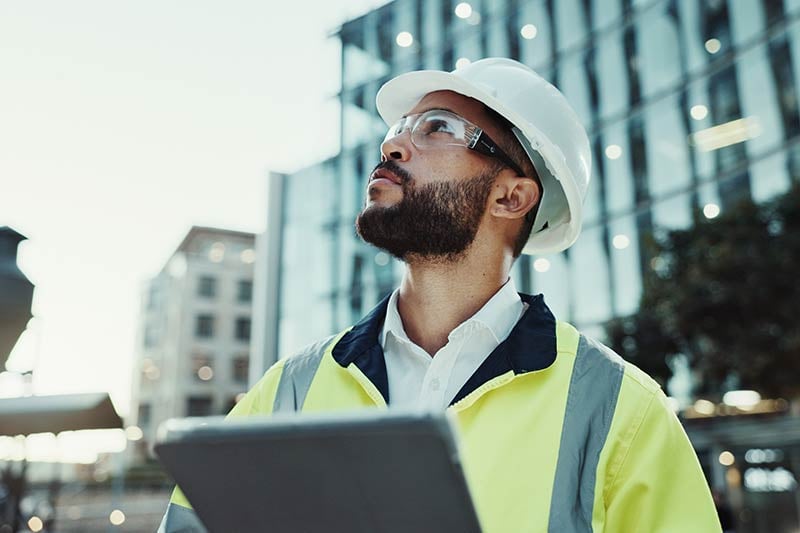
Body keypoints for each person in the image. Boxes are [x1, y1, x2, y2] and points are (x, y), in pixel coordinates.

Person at [159, 58, 721, 532]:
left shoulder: (623, 411)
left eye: (438, 128)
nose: (395, 144)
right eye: (398, 129)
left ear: (510, 197)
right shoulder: (288, 388)